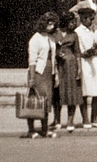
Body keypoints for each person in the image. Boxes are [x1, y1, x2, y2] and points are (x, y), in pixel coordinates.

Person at [73, 7, 97, 128]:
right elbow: (80, 51)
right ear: (83, 19)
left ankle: (94, 119)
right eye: (90, 19)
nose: (92, 22)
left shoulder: (94, 31)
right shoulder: (77, 32)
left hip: (96, 63)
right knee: (85, 92)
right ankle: (85, 120)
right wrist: (89, 51)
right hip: (85, 64)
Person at [26, 11, 59, 139]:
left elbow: (53, 57)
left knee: (46, 102)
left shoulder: (51, 38)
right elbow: (32, 59)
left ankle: (45, 130)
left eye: (53, 24)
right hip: (39, 72)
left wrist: (55, 74)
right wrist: (32, 77)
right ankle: (31, 130)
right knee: (35, 101)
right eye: (49, 24)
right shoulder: (36, 38)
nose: (51, 27)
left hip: (49, 72)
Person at [53, 14, 84, 131]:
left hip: (71, 65)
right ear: (65, 22)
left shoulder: (74, 35)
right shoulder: (56, 33)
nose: (74, 24)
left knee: (71, 92)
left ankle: (70, 120)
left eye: (74, 22)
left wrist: (79, 68)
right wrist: (57, 53)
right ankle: (57, 120)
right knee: (58, 93)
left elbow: (77, 52)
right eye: (71, 22)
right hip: (58, 65)